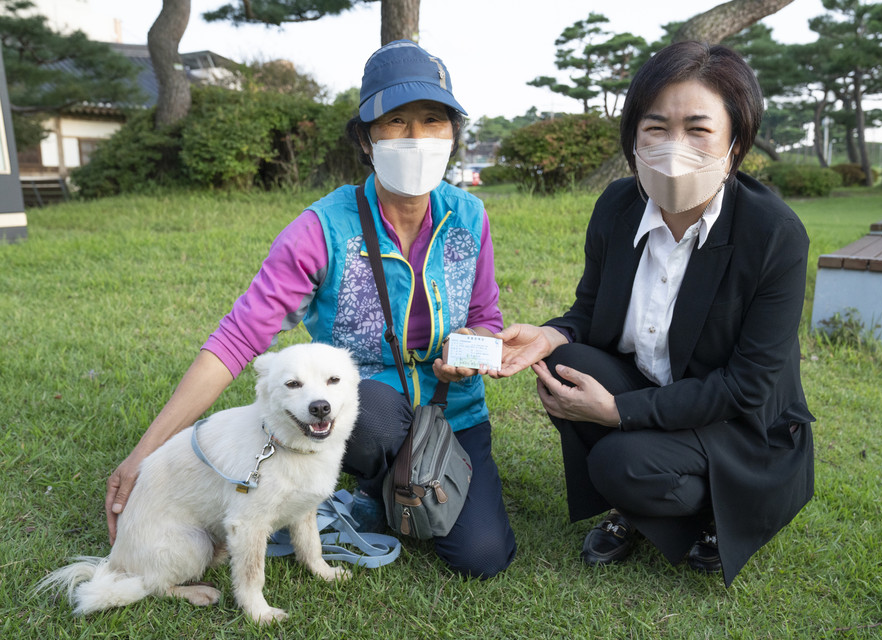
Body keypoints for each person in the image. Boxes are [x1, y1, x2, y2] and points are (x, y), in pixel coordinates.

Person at [105, 40, 516, 579]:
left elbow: (487, 316)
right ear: (366, 139)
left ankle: (406, 481)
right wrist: (144, 453)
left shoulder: (469, 216)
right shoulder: (322, 229)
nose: (416, 138)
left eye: (433, 120)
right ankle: (375, 483)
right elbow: (237, 340)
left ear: (452, 133)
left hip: (455, 407)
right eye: (395, 122)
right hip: (367, 409)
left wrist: (471, 351)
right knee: (368, 412)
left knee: (483, 558)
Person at [493, 41, 814, 586]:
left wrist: (618, 412)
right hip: (655, 390)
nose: (673, 147)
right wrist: (548, 334)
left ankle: (710, 508)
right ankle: (643, 501)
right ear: (633, 139)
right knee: (565, 361)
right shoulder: (618, 207)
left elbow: (746, 387)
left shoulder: (773, 234)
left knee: (619, 462)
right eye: (656, 127)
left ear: (735, 144)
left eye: (697, 129)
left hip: (737, 425)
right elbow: (590, 309)